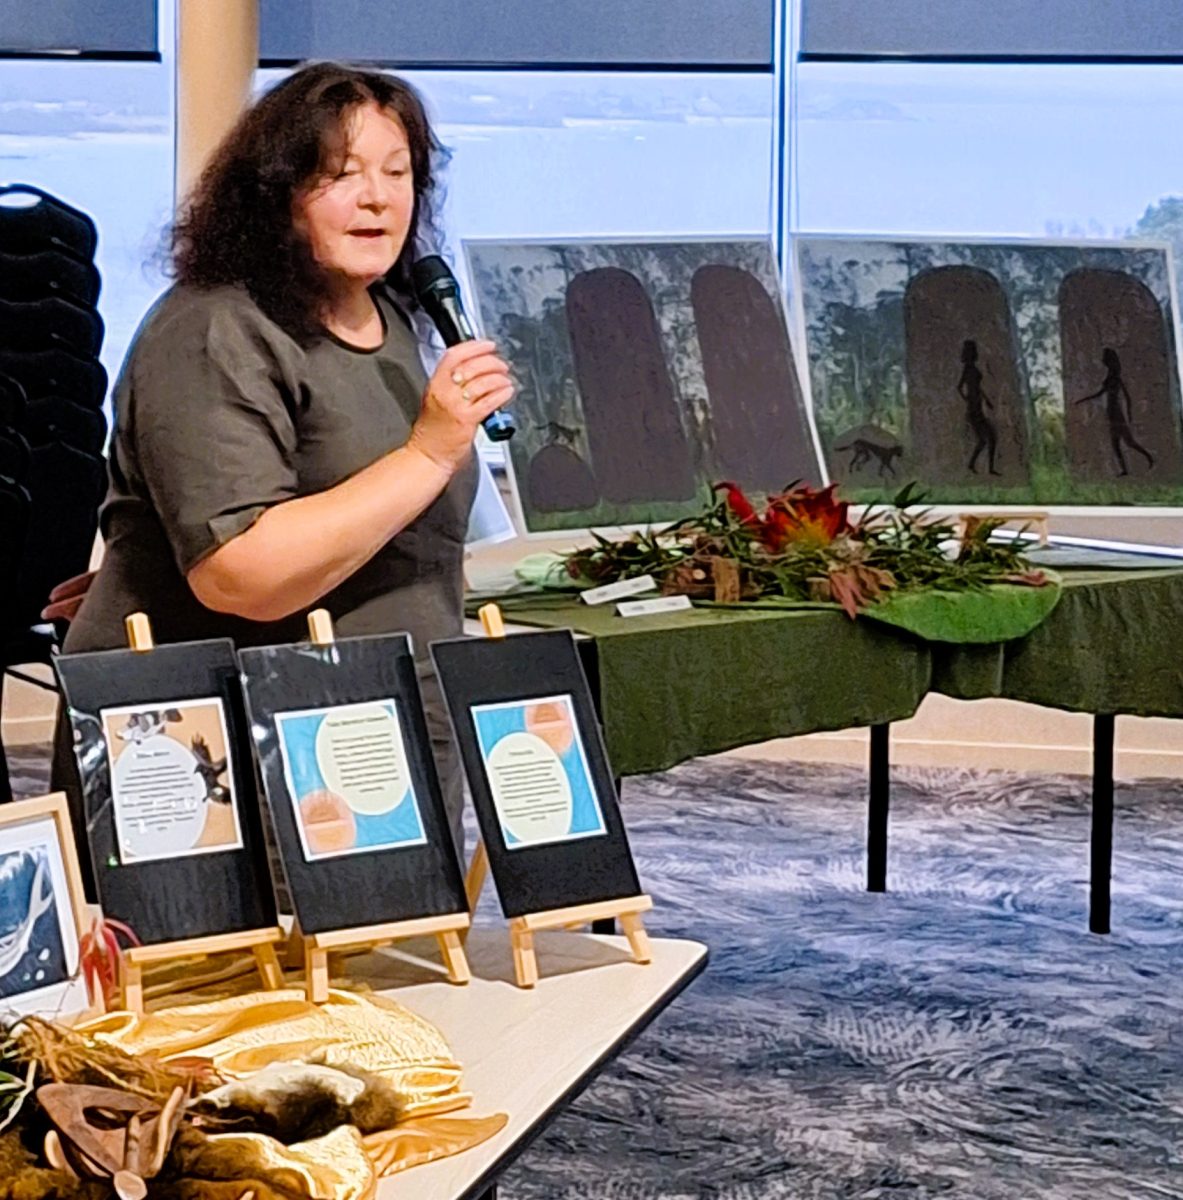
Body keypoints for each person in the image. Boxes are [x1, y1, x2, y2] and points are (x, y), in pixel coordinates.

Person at [50, 62, 514, 852]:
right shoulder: (214, 329)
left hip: (373, 730)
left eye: (397, 173)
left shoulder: (393, 316)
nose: (378, 197)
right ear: (273, 194)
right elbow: (243, 573)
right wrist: (429, 452)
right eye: (340, 175)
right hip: (225, 761)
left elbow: (367, 516)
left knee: (380, 964)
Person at [1075, 347, 1155, 476]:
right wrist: (1083, 400)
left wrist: (1129, 414)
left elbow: (1127, 397)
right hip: (1111, 412)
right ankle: (1125, 470)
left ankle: (1149, 458)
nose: (1103, 360)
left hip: (1116, 413)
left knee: (1129, 442)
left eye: (1105, 358)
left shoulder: (1116, 378)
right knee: (1116, 445)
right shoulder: (1109, 377)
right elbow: (1099, 394)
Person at [956, 339, 1000, 476]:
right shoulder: (968, 368)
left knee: (985, 439)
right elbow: (959, 387)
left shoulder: (973, 368)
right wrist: (968, 400)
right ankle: (987, 468)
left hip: (978, 406)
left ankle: (976, 465)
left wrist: (986, 400)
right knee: (989, 437)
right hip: (974, 409)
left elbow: (977, 387)